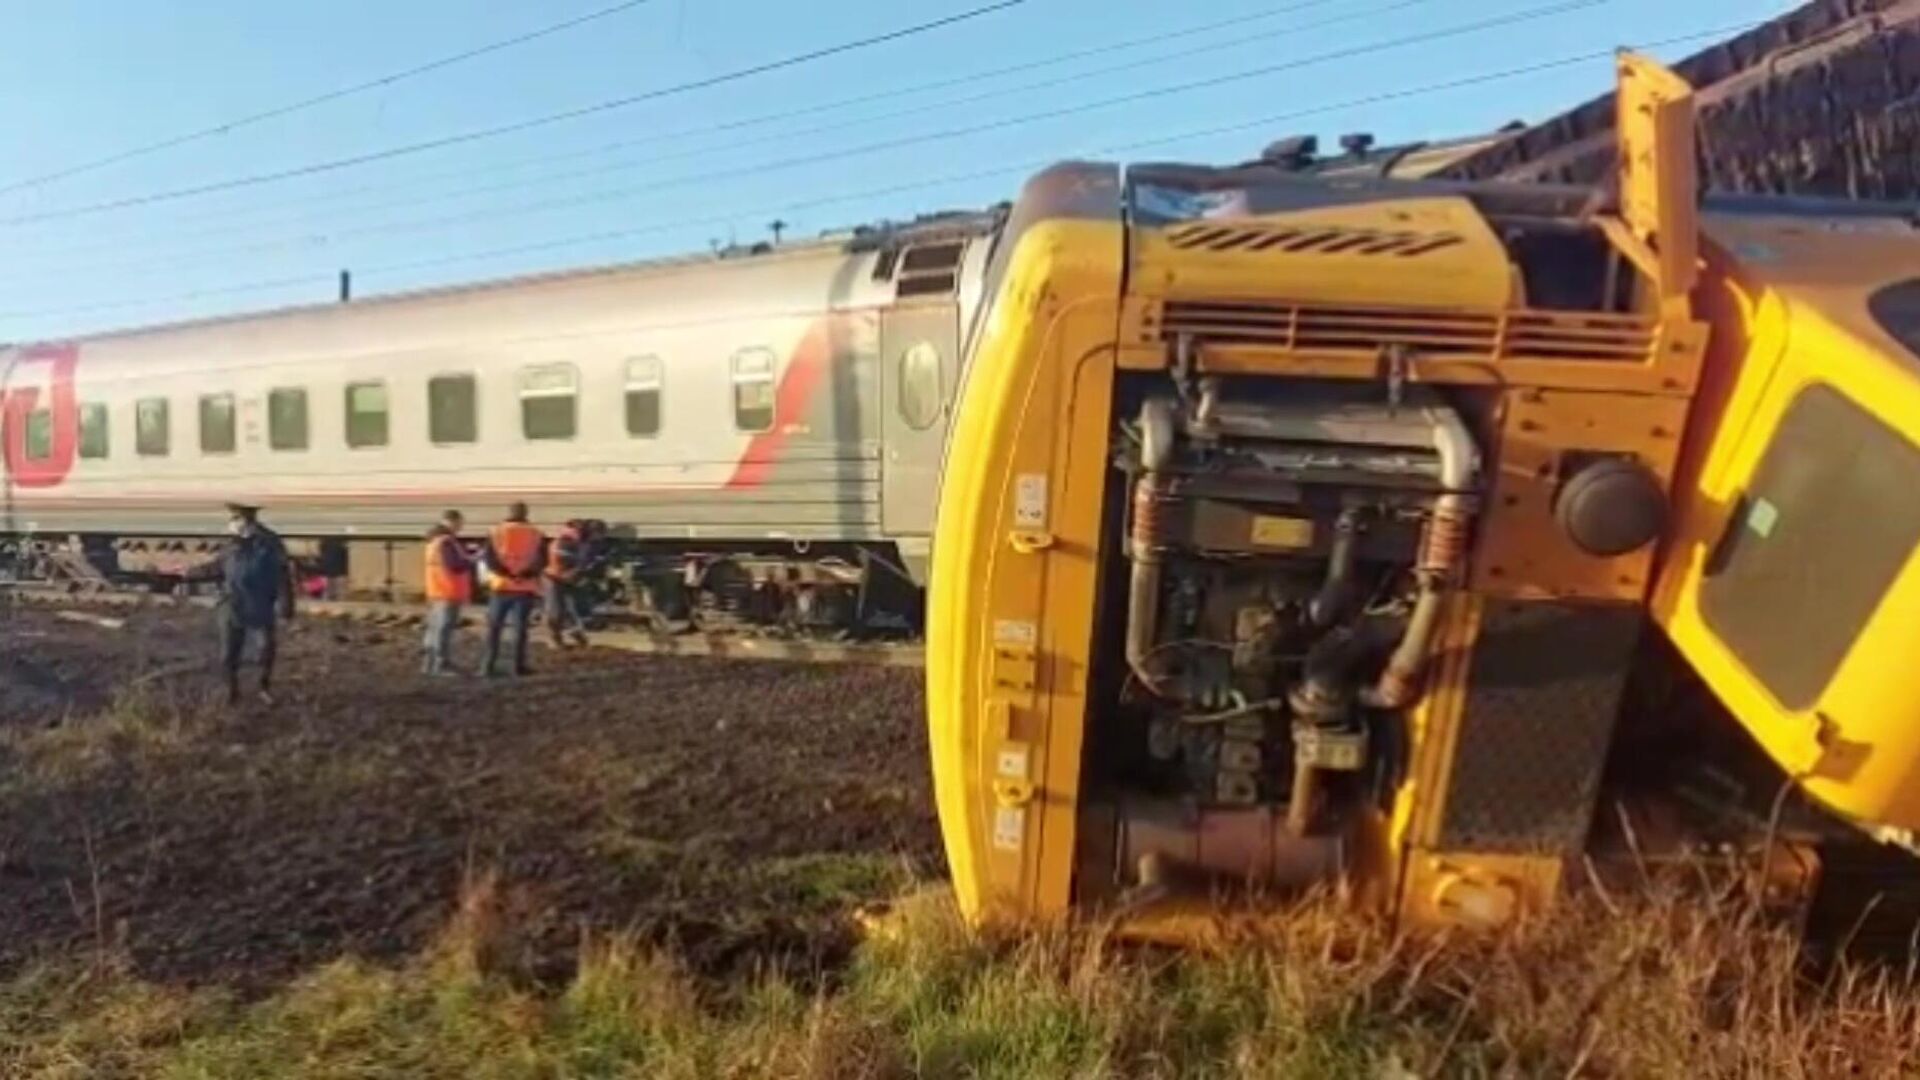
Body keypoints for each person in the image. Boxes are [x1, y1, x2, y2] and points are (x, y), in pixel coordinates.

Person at [218, 503, 295, 705]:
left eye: (238, 518)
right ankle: (231, 690)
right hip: (232, 604)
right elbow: (217, 567)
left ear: (250, 520)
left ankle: (263, 687)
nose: (233, 523)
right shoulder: (230, 545)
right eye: (233, 518)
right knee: (229, 652)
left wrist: (286, 604)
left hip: (259, 603)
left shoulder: (269, 543)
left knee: (265, 648)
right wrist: (185, 573)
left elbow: (282, 575)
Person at [481, 501, 545, 677]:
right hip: (524, 588)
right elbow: (541, 561)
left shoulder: (496, 532)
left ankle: (487, 666)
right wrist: (523, 574)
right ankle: (517, 667)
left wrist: (507, 574)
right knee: (520, 629)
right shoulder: (536, 534)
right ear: (526, 513)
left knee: (494, 628)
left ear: (509, 512)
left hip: (501, 586)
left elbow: (489, 559)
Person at [421, 509, 475, 675]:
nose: (461, 527)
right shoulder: (446, 542)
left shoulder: (434, 540)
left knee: (434, 628)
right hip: (448, 590)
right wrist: (473, 559)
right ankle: (441, 664)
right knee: (444, 628)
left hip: (436, 589)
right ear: (452, 521)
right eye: (460, 523)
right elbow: (455, 565)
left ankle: (428, 664)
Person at [543, 518, 592, 649]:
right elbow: (563, 564)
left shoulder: (573, 542)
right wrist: (575, 576)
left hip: (561, 578)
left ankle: (574, 636)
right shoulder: (565, 543)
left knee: (565, 609)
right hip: (556, 578)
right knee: (555, 611)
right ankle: (556, 639)